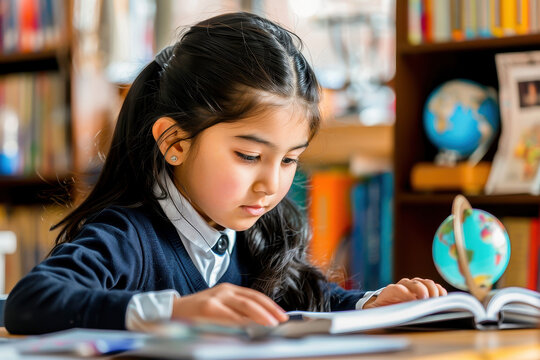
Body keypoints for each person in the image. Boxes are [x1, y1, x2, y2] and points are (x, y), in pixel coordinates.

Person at [4, 12, 446, 335]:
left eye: (289, 160)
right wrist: (175, 311)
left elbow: (312, 302)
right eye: (249, 156)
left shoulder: (254, 233)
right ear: (175, 143)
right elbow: (29, 303)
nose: (271, 185)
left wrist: (374, 304)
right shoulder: (128, 236)